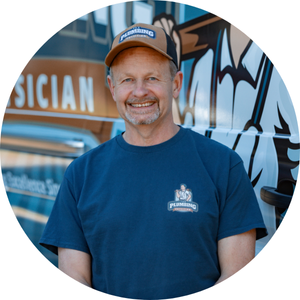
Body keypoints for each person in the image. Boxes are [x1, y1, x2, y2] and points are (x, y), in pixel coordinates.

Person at [40, 23, 267, 299]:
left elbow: (237, 277)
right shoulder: (81, 174)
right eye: (127, 80)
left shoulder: (223, 166)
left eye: (152, 78)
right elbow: (74, 279)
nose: (139, 92)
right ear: (112, 88)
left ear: (176, 84)